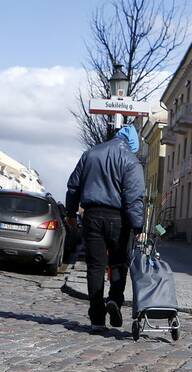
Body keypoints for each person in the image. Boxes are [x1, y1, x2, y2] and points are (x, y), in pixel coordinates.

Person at [65, 125, 145, 331]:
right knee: (118, 264)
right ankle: (115, 301)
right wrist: (138, 226)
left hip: (91, 216)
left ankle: (97, 317)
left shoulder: (90, 154)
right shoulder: (131, 161)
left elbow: (73, 186)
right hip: (120, 220)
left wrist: (71, 213)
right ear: (133, 143)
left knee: (95, 267)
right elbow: (134, 198)